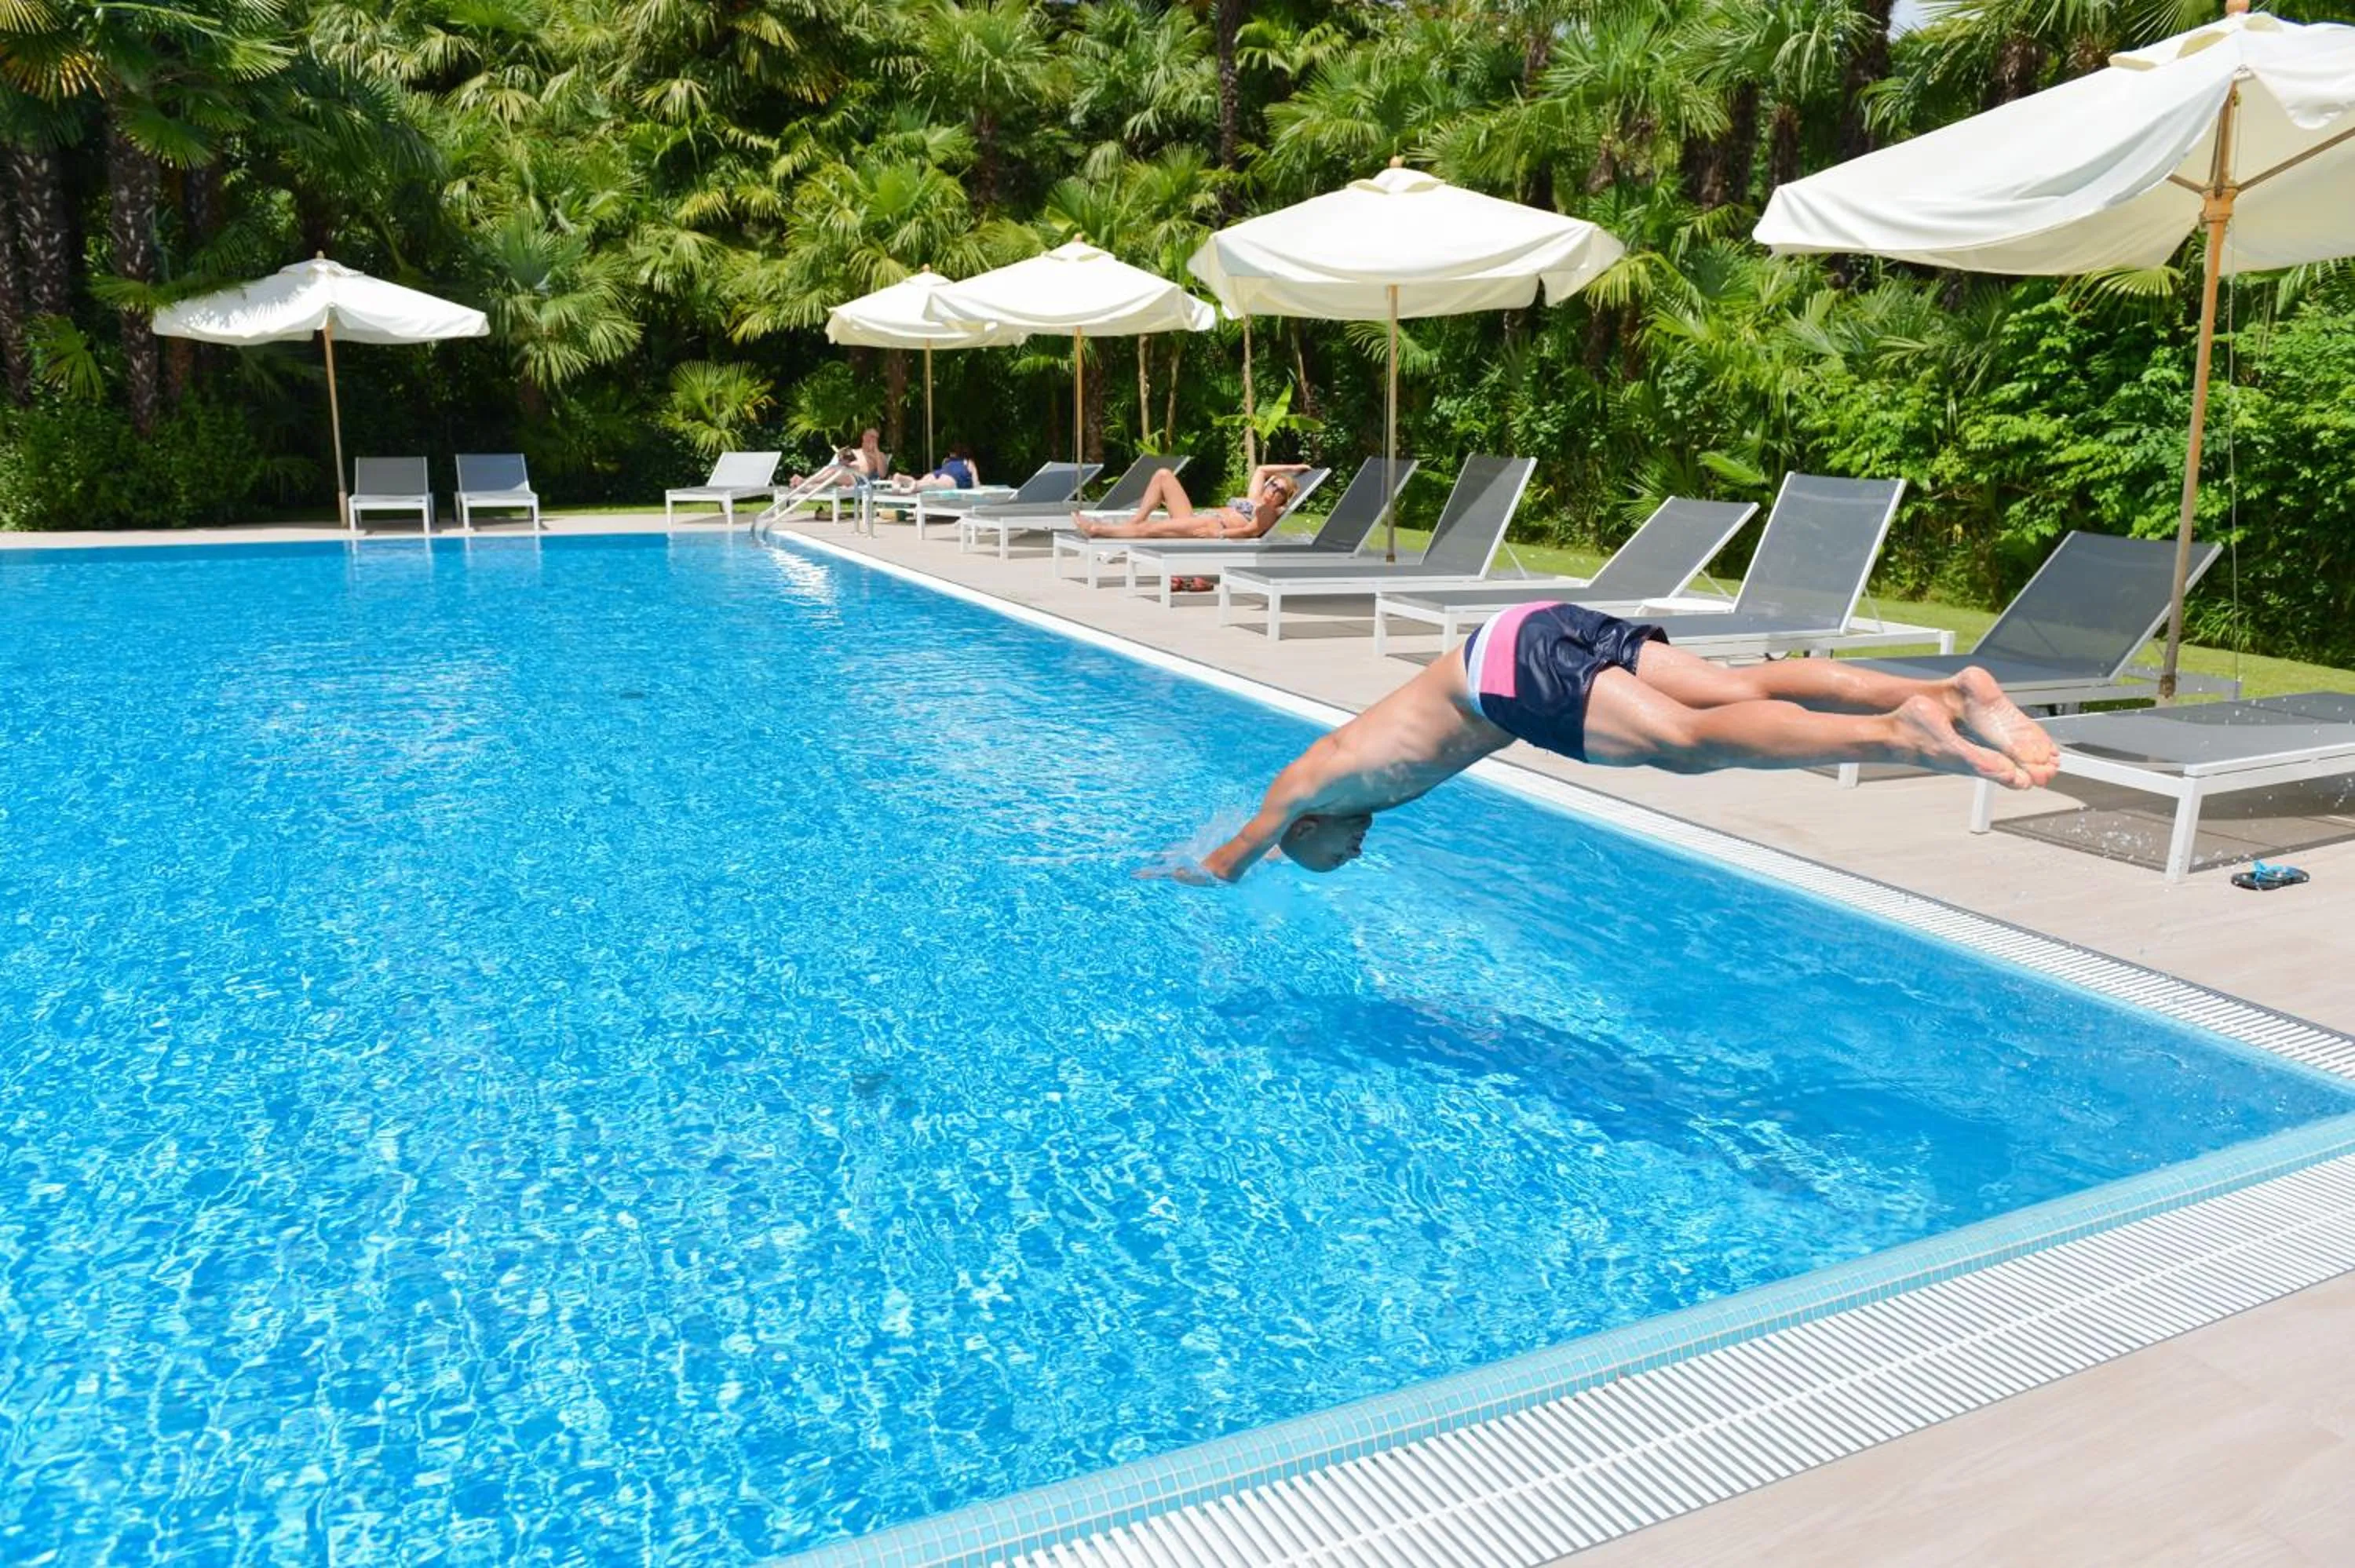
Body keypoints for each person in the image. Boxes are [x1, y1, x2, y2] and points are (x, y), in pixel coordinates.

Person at [1167, 600, 2059, 883]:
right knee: (1741, 687)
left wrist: (1168, 882)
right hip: (1525, 633)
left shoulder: (1306, 785)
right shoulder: (1350, 793)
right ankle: (1949, 689)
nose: (1354, 856)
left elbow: (1229, 860)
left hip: (1504, 675)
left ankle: (1898, 733)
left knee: (1685, 742)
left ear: (1307, 830)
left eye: (1331, 855)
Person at [1074, 462, 1313, 540]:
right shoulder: (1254, 498)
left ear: (1283, 499)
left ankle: (1097, 530)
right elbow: (1261, 470)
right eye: (1273, 485)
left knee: (1153, 529)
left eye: (1280, 491)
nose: (1273, 490)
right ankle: (1133, 523)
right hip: (1198, 518)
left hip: (1212, 526)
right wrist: (1292, 469)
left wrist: (1222, 534)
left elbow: (1250, 530)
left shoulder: (1268, 512)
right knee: (1164, 475)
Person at [887, 443, 980, 493]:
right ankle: (915, 486)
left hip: (939, 473)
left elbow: (944, 470)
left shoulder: (946, 461)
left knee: (921, 481)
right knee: (934, 485)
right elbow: (976, 483)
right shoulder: (968, 462)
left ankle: (900, 477)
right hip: (954, 477)